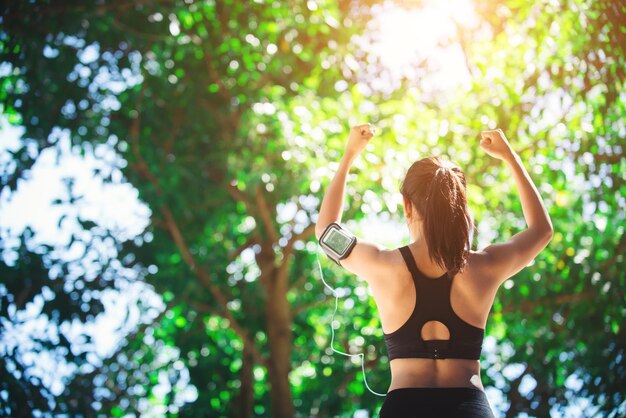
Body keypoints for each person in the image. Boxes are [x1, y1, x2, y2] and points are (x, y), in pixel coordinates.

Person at [314, 124, 554, 417]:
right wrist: (509, 156)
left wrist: (350, 154)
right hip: (470, 409)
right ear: (461, 208)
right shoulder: (485, 266)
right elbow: (541, 230)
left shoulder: (382, 264)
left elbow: (326, 230)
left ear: (407, 205)